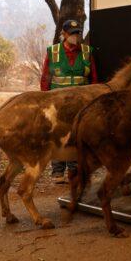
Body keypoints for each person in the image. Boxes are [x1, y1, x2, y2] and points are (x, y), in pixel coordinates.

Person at [40, 19, 98, 183]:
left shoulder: (87, 52)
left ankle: (74, 170)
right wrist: (44, 100)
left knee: (78, 134)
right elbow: (45, 78)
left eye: (78, 32)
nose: (76, 35)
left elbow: (94, 78)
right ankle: (57, 172)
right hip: (57, 104)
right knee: (57, 134)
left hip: (82, 104)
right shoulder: (53, 52)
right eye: (72, 33)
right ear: (64, 34)